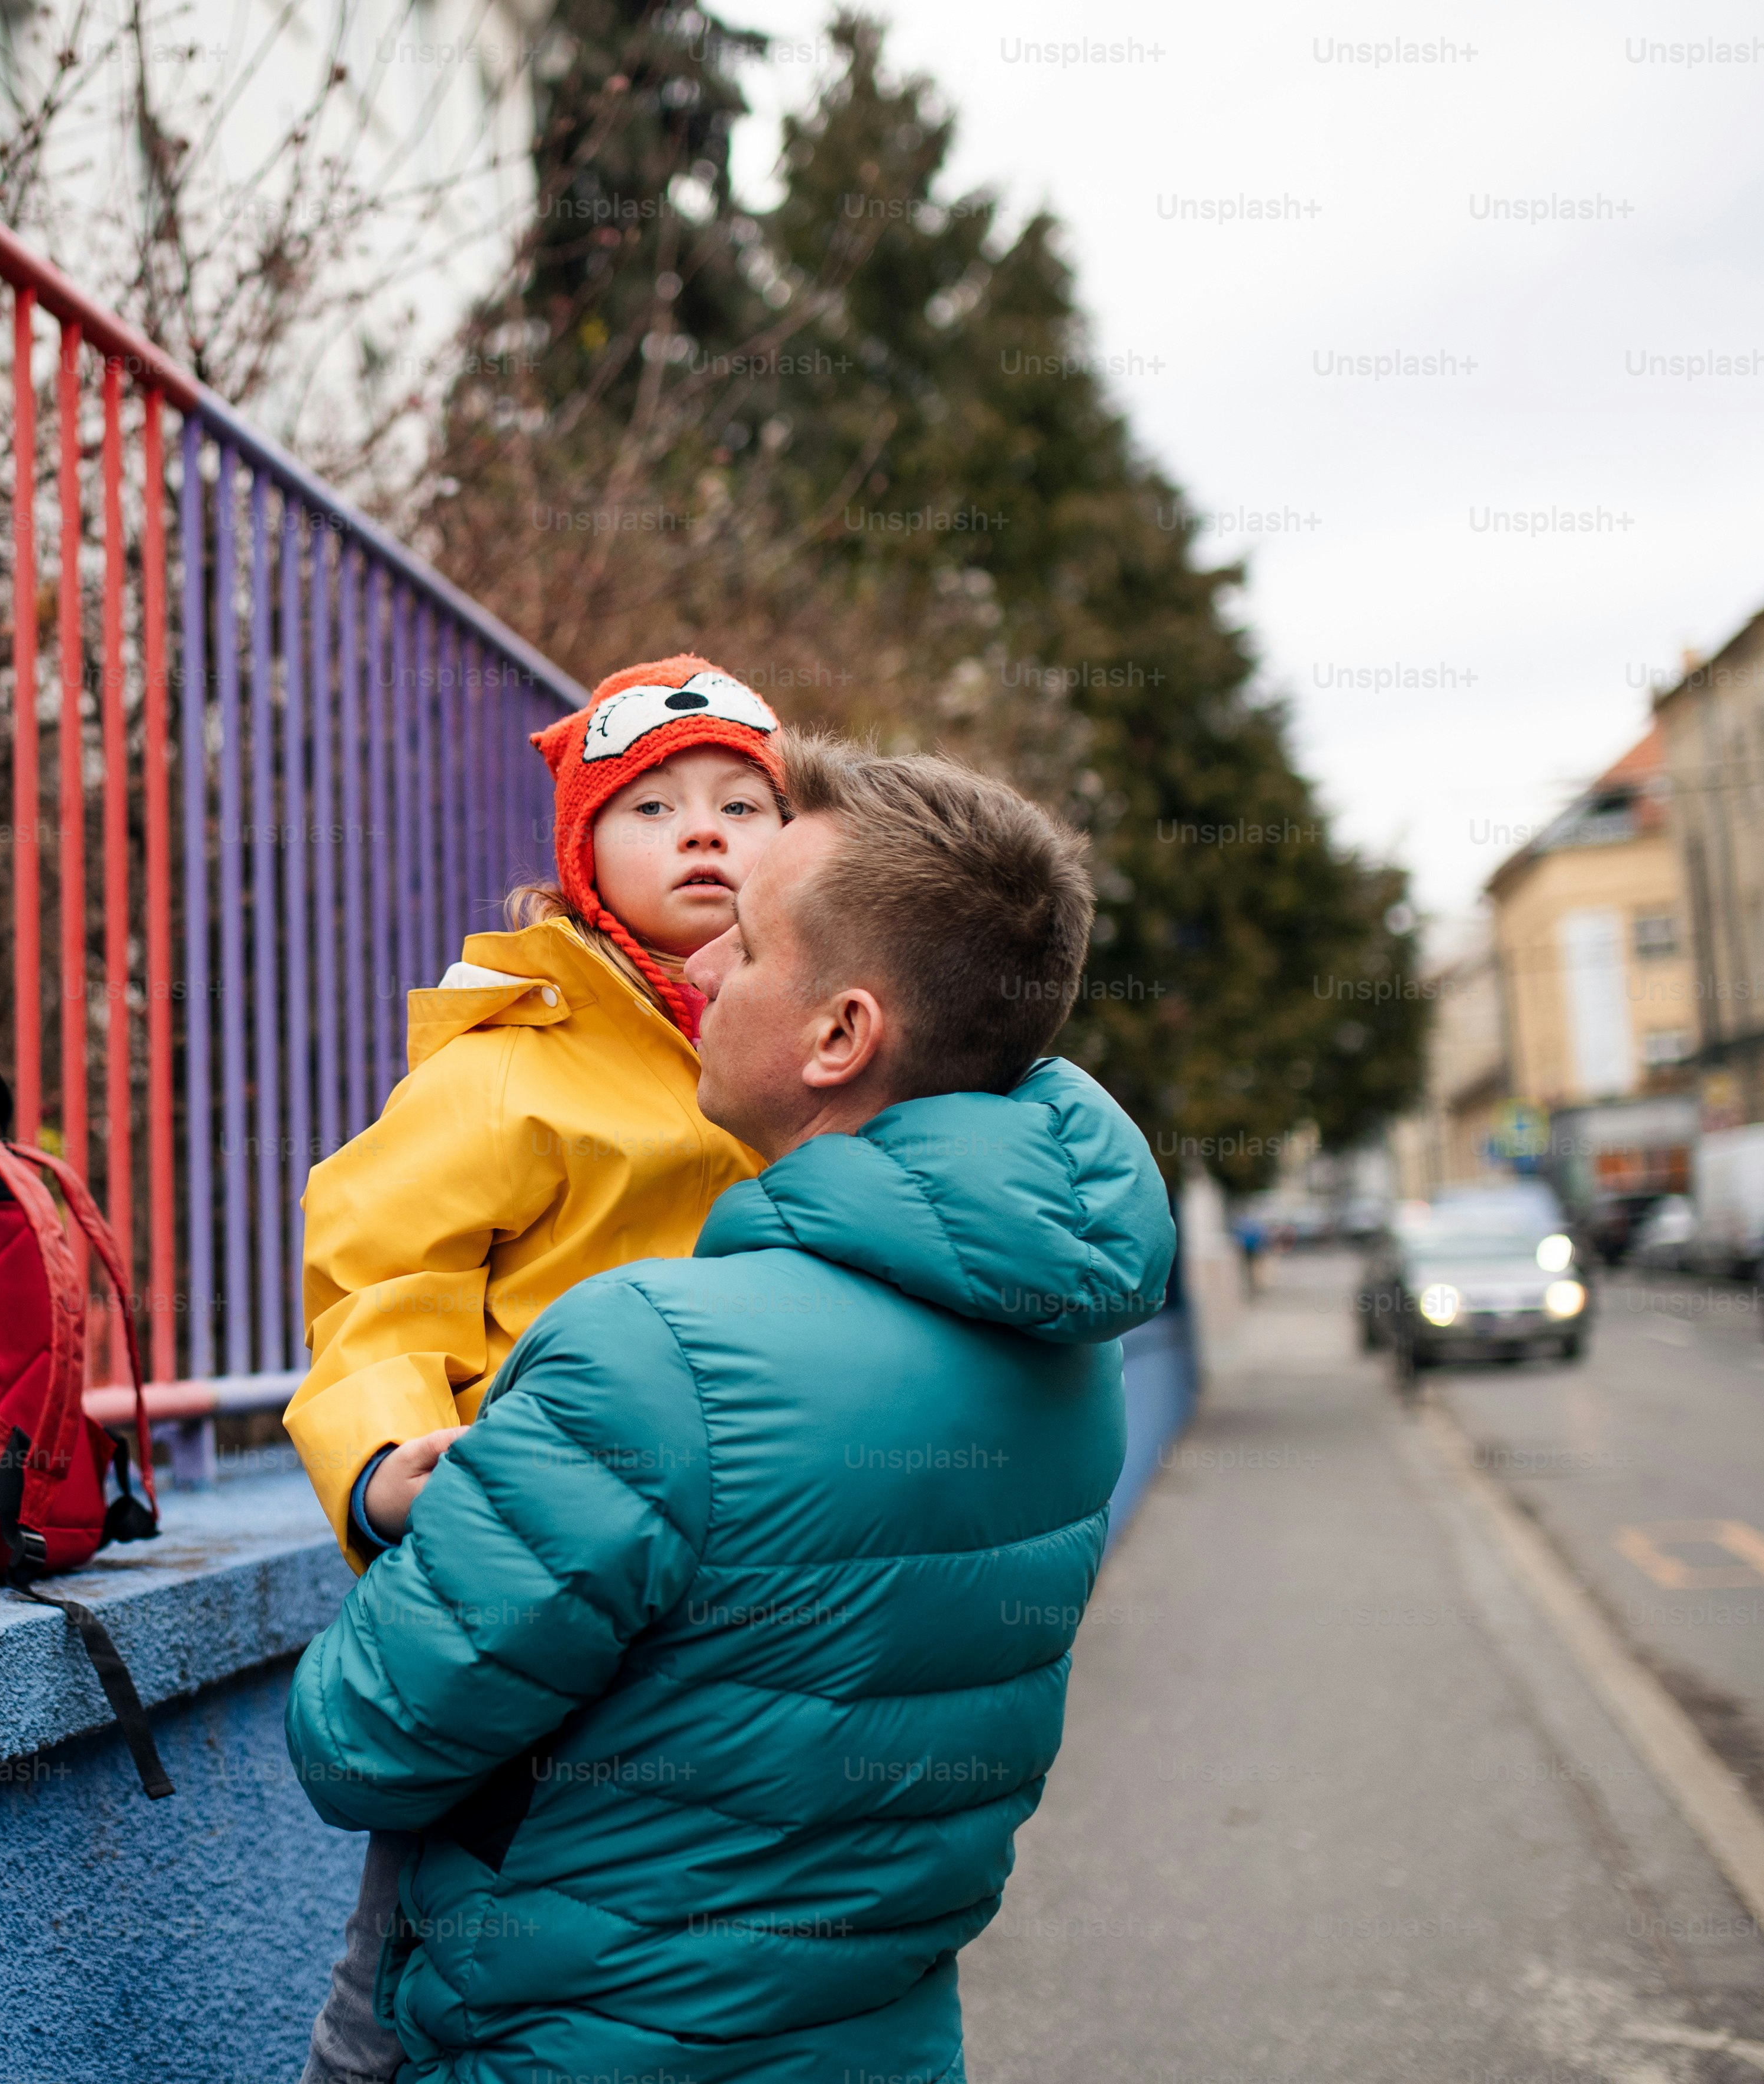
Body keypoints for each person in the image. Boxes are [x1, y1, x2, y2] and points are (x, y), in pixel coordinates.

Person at [287, 732, 1175, 2084]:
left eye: (746, 948)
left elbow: (363, 1738)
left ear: (839, 1033)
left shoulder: (646, 1357)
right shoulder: (1061, 1352)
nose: (695, 967)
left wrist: (465, 1490)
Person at [285, 656, 793, 2084]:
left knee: (700, 1945)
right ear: (580, 854)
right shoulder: (505, 1067)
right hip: (531, 1561)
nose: (703, 830)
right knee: (425, 1931)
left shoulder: (806, 1053)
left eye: (742, 802)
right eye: (652, 805)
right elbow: (382, 1282)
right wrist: (387, 1459)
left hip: (739, 1577)